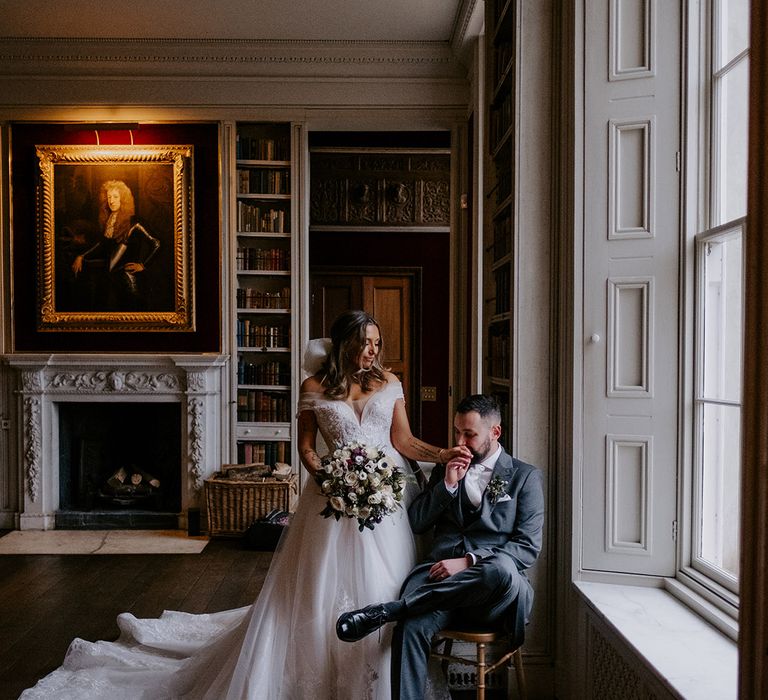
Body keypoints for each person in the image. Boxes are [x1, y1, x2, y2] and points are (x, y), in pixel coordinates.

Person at [19, 309, 469, 700]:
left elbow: (404, 441)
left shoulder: (389, 382)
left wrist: (443, 454)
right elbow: (307, 449)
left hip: (383, 501)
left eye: (376, 343)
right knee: (317, 591)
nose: (371, 350)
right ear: (344, 342)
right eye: (363, 342)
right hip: (332, 499)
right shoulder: (314, 385)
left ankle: (377, 678)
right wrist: (330, 479)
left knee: (383, 587)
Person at [335, 393, 545, 700]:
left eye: (469, 434)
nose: (460, 441)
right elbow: (418, 522)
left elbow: (527, 547)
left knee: (502, 569)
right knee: (408, 629)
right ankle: (405, 614)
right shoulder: (447, 468)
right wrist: (446, 486)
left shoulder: (525, 477)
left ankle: (392, 610)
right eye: (457, 432)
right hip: (439, 588)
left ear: (495, 433)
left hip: (491, 596)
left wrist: (470, 562)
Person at [71, 179, 160, 311]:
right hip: (111, 278)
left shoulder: (135, 222)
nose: (111, 201)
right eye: (109, 197)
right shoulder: (109, 219)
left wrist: (143, 265)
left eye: (115, 197)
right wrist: (82, 256)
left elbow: (156, 243)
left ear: (123, 199)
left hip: (129, 281)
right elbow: (103, 244)